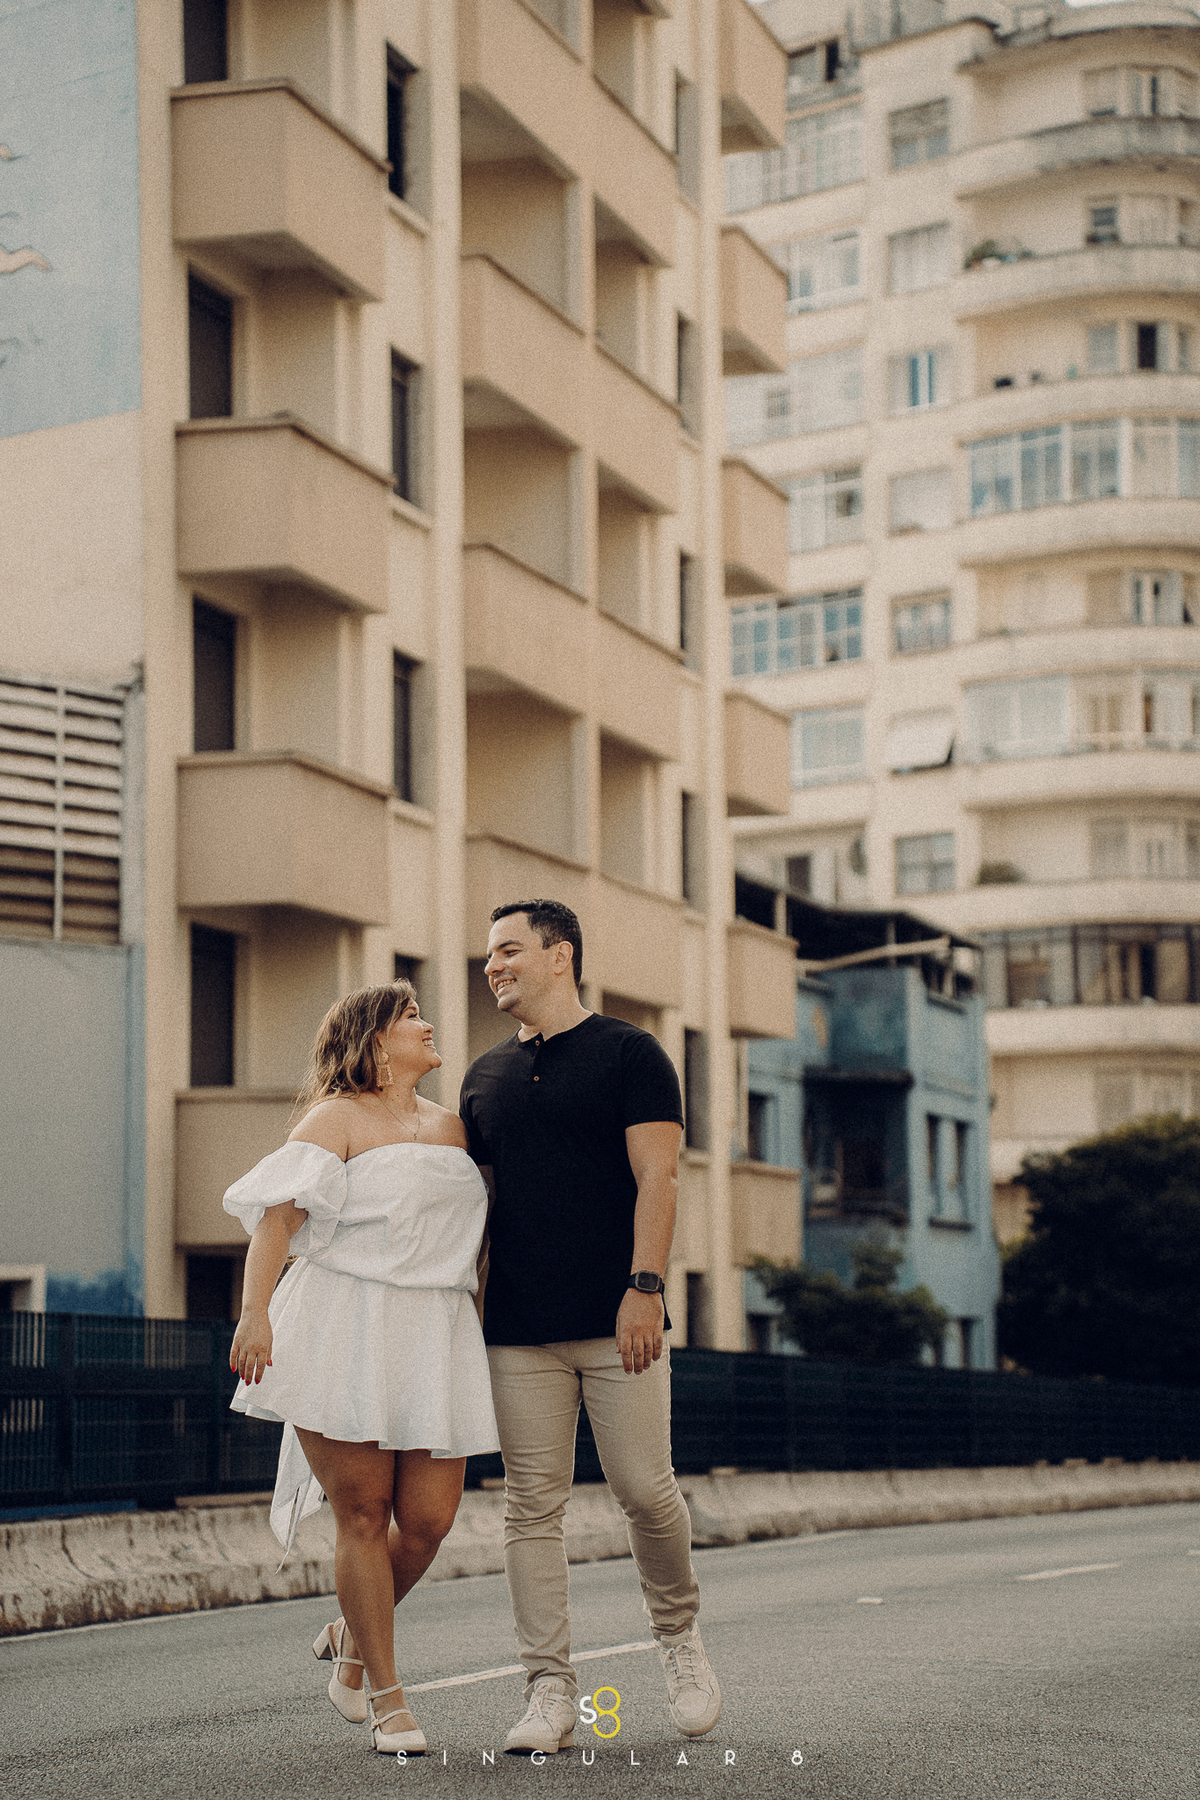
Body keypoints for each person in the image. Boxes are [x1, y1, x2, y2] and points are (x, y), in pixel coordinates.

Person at [459, 899, 721, 1756]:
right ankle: (549, 1689)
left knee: (646, 1489)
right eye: (488, 953)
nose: (492, 965)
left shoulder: (630, 1054)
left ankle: (679, 1643)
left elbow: (660, 1178)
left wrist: (644, 1286)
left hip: (620, 1321)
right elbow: (482, 1208)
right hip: (519, 1330)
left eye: (508, 949)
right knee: (530, 1508)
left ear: (559, 954)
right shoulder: (483, 1077)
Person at [225, 980, 499, 1756]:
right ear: (375, 1040)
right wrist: (256, 1314)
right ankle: (384, 1694)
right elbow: (279, 1221)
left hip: (435, 1327)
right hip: (342, 1324)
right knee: (362, 1514)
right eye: (412, 1017)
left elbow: (480, 1241)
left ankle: (351, 1630)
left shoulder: (454, 1128)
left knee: (431, 1521)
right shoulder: (334, 1118)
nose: (428, 1023)